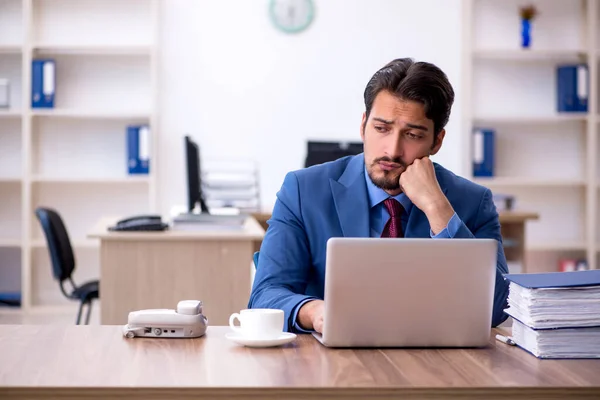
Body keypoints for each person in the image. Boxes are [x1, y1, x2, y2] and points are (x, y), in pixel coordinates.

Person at [248, 58, 509, 333]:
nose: (392, 150)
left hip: (433, 362)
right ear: (363, 125)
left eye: (412, 134)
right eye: (381, 129)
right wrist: (315, 312)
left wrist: (437, 208)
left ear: (437, 141)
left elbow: (498, 308)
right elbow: (266, 295)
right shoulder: (303, 191)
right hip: (330, 363)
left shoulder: (473, 202)